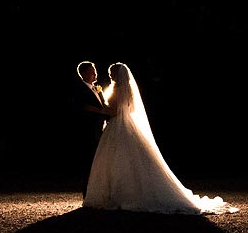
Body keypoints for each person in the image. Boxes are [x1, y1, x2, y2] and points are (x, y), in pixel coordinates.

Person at [81, 61, 234, 214]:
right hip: (121, 126)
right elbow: (130, 108)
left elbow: (114, 112)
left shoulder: (119, 89)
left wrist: (98, 109)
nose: (110, 75)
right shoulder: (124, 89)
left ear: (118, 75)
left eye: (111, 73)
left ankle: (121, 194)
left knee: (118, 159)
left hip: (117, 126)